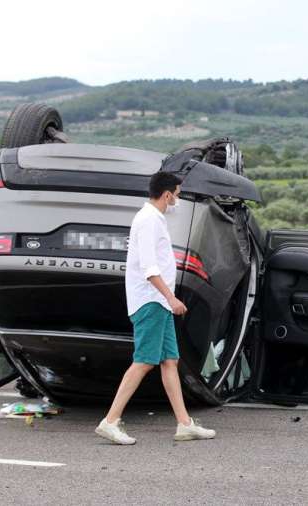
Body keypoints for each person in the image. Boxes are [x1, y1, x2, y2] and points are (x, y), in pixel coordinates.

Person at [95, 172, 216, 445]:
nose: (179, 198)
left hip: (158, 302)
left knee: (169, 361)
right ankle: (110, 421)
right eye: (179, 193)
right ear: (167, 194)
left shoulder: (152, 218)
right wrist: (171, 298)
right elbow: (150, 267)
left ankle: (184, 424)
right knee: (144, 361)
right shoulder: (148, 220)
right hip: (151, 301)